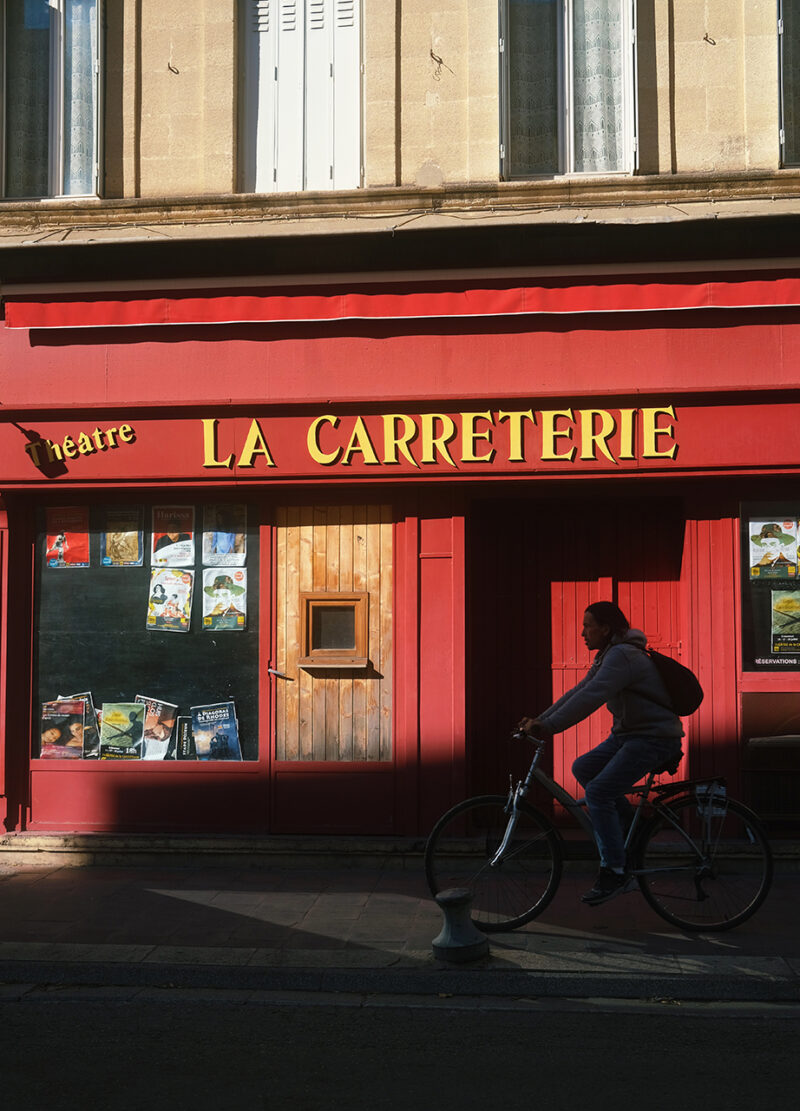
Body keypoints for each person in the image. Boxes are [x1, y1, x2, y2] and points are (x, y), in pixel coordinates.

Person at [518, 601, 683, 906]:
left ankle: (615, 870)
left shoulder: (622, 655)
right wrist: (540, 720)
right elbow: (578, 691)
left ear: (605, 629)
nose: (582, 633)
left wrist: (550, 726)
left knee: (598, 793)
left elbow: (592, 698)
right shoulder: (611, 654)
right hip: (629, 735)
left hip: (653, 738)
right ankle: (634, 822)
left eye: (587, 625)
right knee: (584, 767)